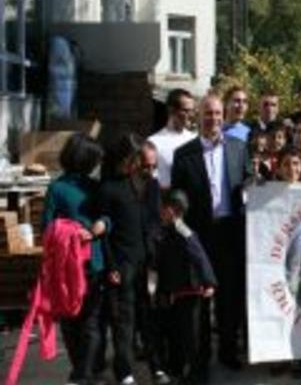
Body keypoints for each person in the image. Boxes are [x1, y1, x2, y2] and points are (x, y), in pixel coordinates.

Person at [171, 94, 252, 375]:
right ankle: (201, 358)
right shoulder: (184, 154)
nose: (213, 119)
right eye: (208, 113)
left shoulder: (239, 147)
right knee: (201, 300)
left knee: (229, 296)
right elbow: (178, 197)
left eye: (218, 113)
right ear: (198, 116)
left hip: (230, 233)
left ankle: (228, 351)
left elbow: (248, 181)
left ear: (224, 115)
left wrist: (254, 185)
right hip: (200, 236)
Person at [43, 133, 109, 385]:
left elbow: (108, 215)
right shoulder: (58, 188)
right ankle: (85, 373)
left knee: (88, 322)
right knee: (74, 322)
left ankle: (82, 375)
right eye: (94, 159)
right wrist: (74, 232)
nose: (96, 165)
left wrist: (103, 224)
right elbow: (48, 228)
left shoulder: (94, 187)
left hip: (90, 263)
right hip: (71, 266)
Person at [99, 134, 161, 385]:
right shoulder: (109, 188)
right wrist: (111, 266)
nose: (141, 167)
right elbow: (104, 232)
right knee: (124, 320)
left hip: (145, 262)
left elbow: (153, 220)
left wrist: (154, 254)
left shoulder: (147, 186)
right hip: (122, 263)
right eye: (136, 161)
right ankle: (124, 370)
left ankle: (156, 365)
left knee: (148, 317)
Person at [153, 189, 217, 385]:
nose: (160, 211)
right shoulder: (167, 231)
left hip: (190, 292)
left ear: (172, 210)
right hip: (178, 292)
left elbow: (200, 257)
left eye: (163, 208)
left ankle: (198, 376)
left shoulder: (183, 232)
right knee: (181, 334)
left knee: (192, 336)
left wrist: (209, 282)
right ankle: (184, 370)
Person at [149, 88, 196, 189]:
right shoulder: (154, 142)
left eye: (192, 111)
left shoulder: (195, 139)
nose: (191, 115)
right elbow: (151, 181)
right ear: (171, 110)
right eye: (186, 111)